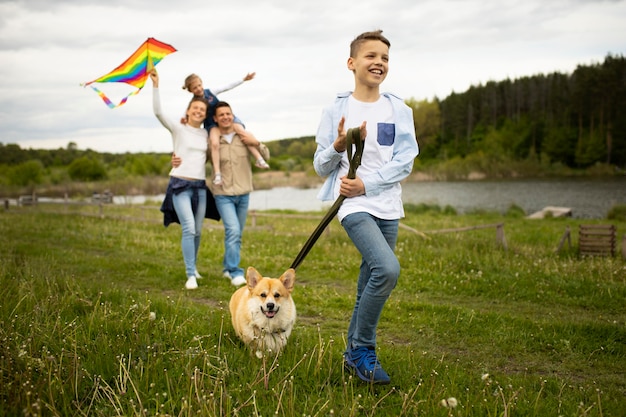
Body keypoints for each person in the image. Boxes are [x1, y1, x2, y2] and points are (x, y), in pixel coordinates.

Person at [313, 30, 419, 384]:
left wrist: (368, 184)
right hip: (352, 206)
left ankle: (351, 357)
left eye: (385, 58)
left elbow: (405, 161)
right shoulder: (336, 109)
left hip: (388, 205)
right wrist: (338, 147)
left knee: (368, 282)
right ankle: (364, 349)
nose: (379, 63)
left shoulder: (398, 109)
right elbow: (320, 166)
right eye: (371, 56)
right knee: (387, 270)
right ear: (352, 63)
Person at [173, 101, 269, 287]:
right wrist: (176, 158)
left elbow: (265, 155)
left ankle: (227, 268)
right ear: (215, 119)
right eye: (221, 114)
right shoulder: (212, 141)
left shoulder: (244, 137)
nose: (225, 117)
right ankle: (235, 272)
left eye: (228, 113)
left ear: (232, 115)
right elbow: (196, 156)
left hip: (244, 192)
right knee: (233, 230)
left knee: (237, 233)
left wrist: (256, 142)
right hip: (223, 194)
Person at [151, 69, 212, 291]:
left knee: (197, 230)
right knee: (188, 228)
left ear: (205, 114)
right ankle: (190, 275)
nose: (198, 111)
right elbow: (158, 113)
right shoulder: (178, 128)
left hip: (200, 186)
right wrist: (156, 85)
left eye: (202, 109)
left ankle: (194, 267)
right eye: (195, 108)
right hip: (180, 184)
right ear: (188, 111)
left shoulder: (205, 134)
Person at [182, 73, 269, 186]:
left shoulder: (211, 92)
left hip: (224, 118)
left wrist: (243, 79)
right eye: (195, 88)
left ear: (202, 83)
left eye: (199, 85)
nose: (199, 89)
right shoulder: (194, 103)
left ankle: (259, 159)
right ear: (190, 91)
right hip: (211, 124)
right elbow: (187, 114)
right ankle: (218, 175)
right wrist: (184, 120)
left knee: (242, 133)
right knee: (214, 143)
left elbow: (227, 86)